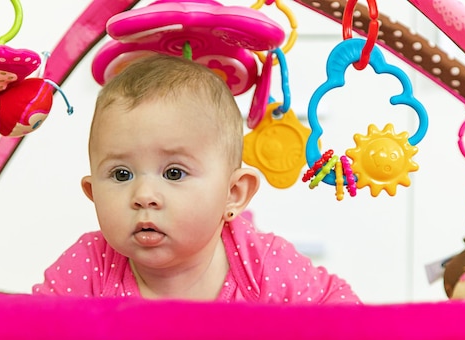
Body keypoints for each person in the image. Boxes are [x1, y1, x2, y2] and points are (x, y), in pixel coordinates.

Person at [32, 53, 360, 304]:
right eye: (121, 174)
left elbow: (346, 314)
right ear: (92, 192)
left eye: (174, 173)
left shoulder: (260, 264)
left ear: (233, 193)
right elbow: (28, 325)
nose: (144, 194)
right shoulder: (92, 265)